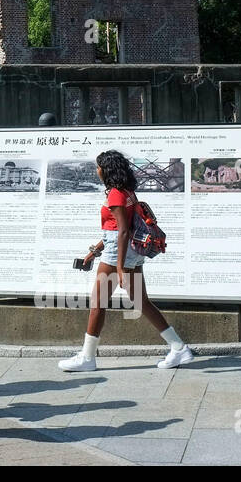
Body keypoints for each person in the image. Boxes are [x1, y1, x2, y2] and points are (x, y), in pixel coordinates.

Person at [59, 150, 194, 372]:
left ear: (106, 170)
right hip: (129, 250)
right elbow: (119, 230)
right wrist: (94, 251)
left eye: (98, 166)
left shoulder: (114, 194)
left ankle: (87, 357)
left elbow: (121, 232)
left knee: (97, 303)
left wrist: (119, 268)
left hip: (118, 253)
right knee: (141, 301)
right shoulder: (127, 192)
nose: (97, 170)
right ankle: (178, 348)